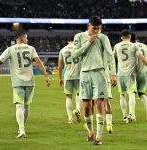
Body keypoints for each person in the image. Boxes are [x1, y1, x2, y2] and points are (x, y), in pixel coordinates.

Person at [0, 31, 51, 138]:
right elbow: (39, 62)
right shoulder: (31, 48)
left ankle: (21, 129)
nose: (28, 40)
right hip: (30, 82)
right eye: (26, 38)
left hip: (17, 82)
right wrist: (46, 76)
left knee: (19, 107)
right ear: (21, 39)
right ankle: (22, 128)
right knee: (27, 106)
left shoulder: (10, 49)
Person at [72, 16, 117, 145]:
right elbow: (74, 54)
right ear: (88, 26)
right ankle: (90, 132)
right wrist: (88, 42)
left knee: (99, 103)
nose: (97, 31)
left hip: (99, 73)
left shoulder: (103, 38)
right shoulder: (79, 37)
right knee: (86, 106)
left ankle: (98, 136)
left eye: (99, 28)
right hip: (85, 74)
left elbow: (110, 56)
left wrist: (113, 74)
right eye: (94, 28)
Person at [113, 30, 147, 123]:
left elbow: (112, 58)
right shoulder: (134, 46)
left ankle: (124, 116)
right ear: (130, 36)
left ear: (121, 37)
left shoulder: (117, 46)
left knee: (122, 95)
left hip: (120, 74)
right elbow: (143, 59)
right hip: (131, 74)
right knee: (132, 94)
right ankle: (131, 114)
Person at [58, 36, 82, 124]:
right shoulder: (79, 48)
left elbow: (60, 66)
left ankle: (70, 118)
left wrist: (60, 78)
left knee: (68, 97)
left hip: (68, 75)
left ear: (68, 41)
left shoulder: (63, 50)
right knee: (79, 93)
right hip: (79, 75)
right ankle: (78, 109)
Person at [131, 33, 147, 119]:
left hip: (134, 73)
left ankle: (132, 115)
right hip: (144, 72)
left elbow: (136, 60)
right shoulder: (145, 46)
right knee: (142, 94)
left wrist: (133, 72)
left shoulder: (131, 46)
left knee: (132, 93)